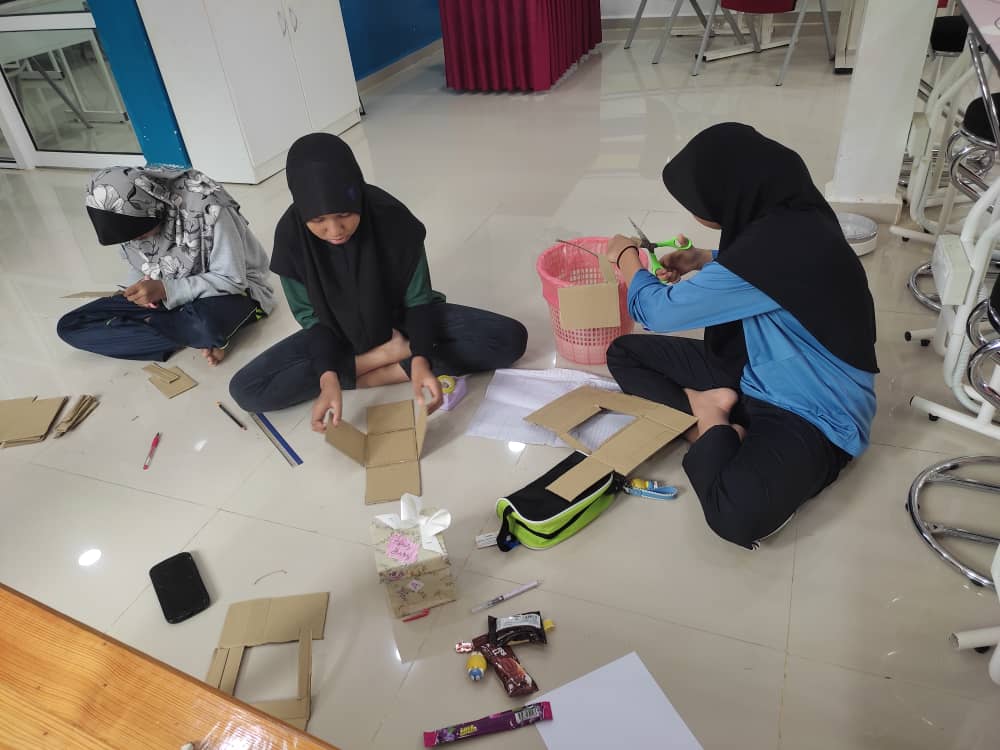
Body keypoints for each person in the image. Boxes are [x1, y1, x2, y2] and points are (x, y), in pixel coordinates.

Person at [604, 123, 878, 549]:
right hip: (756, 361)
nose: (695, 212)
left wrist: (625, 258)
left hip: (812, 407)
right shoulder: (796, 214)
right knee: (624, 353)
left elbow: (655, 311)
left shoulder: (765, 257)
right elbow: (758, 266)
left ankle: (711, 417)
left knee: (735, 515)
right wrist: (704, 258)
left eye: (696, 203)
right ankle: (713, 414)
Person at [229, 133, 528, 429]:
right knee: (247, 389)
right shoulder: (291, 238)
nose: (335, 230)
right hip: (335, 334)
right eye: (318, 220)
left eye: (344, 214)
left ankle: (369, 368)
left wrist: (421, 358)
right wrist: (329, 378)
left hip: (403, 321)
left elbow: (418, 301)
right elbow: (313, 322)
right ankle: (386, 360)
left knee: (508, 339)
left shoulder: (392, 218)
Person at [57, 166, 274, 365]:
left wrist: (166, 289)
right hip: (165, 294)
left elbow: (232, 280)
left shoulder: (208, 208)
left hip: (233, 292)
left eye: (141, 234)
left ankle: (184, 330)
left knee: (204, 324)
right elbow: (141, 265)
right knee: (70, 326)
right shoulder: (124, 212)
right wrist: (138, 289)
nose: (137, 242)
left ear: (153, 207)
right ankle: (186, 332)